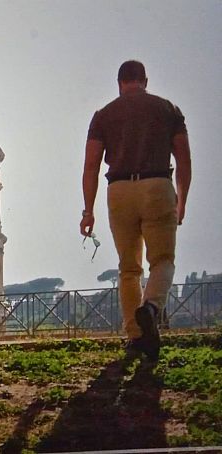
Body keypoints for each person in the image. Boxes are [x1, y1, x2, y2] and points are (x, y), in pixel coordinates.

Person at [80, 60, 192, 362]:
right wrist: (181, 200)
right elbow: (183, 160)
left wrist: (87, 211)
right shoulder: (168, 109)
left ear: (120, 83)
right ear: (145, 80)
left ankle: (135, 335)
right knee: (163, 260)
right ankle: (152, 308)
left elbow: (91, 166)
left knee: (128, 268)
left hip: (119, 190)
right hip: (157, 184)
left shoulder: (103, 115)